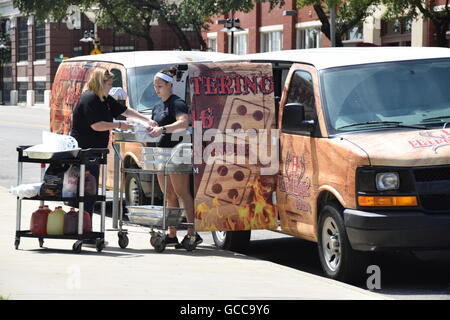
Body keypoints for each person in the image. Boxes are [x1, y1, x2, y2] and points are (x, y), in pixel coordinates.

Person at [70, 68, 152, 243]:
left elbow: (124, 110)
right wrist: (119, 125)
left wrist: (146, 120)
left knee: (90, 192)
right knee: (87, 192)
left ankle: (85, 231)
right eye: (108, 83)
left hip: (95, 152)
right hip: (86, 153)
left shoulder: (104, 99)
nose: (110, 86)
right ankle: (85, 232)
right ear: (100, 82)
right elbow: (96, 125)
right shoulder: (90, 98)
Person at [147, 67, 202, 248]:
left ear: (170, 85)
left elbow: (183, 122)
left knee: (181, 193)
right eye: (155, 86)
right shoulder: (157, 107)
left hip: (177, 152)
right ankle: (172, 234)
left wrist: (162, 129)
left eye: (160, 86)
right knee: (168, 194)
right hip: (160, 153)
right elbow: (156, 126)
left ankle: (192, 233)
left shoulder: (176, 102)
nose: (157, 89)